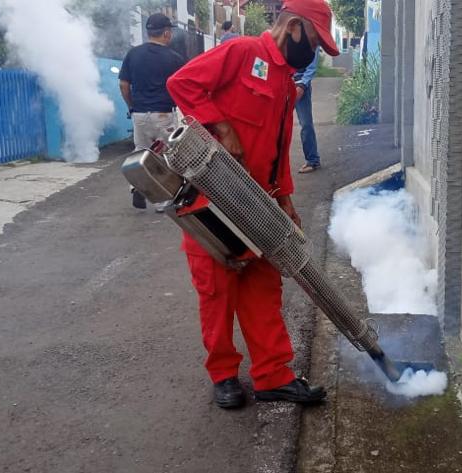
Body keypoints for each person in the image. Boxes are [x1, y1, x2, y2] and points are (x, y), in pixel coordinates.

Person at [166, 0, 340, 409]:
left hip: (259, 203)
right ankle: (224, 375)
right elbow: (182, 83)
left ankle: (272, 376)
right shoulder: (242, 51)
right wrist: (220, 125)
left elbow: (279, 149)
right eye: (315, 40)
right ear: (294, 27)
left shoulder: (284, 79)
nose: (314, 51)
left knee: (263, 287)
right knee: (218, 291)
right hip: (212, 201)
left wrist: (285, 200)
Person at [119, 13, 186, 212]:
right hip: (163, 114)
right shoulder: (174, 59)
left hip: (139, 114)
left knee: (140, 151)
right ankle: (162, 202)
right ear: (166, 33)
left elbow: (124, 85)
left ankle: (136, 186)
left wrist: (132, 106)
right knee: (166, 156)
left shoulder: (133, 54)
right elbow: (182, 86)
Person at [294, 53, 321, 173]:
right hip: (282, 82)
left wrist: (302, 85)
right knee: (277, 126)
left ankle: (313, 161)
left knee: (306, 124)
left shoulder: (310, 37)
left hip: (300, 84)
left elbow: (312, 67)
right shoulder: (281, 36)